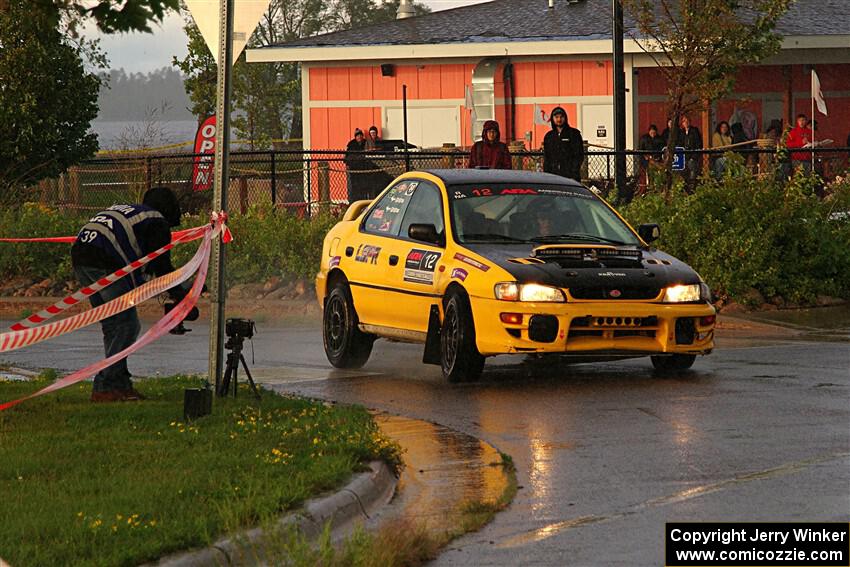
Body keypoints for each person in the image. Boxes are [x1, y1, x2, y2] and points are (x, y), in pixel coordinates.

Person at [71, 187, 194, 402]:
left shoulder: (133, 212)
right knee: (127, 325)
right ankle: (106, 385)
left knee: (113, 325)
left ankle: (119, 384)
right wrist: (181, 295)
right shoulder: (156, 220)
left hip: (82, 256)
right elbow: (161, 265)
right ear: (168, 207)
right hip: (105, 260)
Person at [542, 107, 584, 181]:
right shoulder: (549, 136)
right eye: (556, 117)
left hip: (570, 176)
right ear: (552, 118)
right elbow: (547, 157)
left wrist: (573, 171)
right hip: (553, 175)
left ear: (565, 118)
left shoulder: (574, 134)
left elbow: (579, 155)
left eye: (561, 117)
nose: (559, 119)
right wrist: (547, 174)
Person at [676, 115, 703, 190]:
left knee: (692, 165)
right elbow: (679, 144)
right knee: (681, 169)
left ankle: (692, 185)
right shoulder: (681, 132)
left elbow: (698, 144)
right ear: (682, 123)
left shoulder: (694, 131)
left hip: (693, 155)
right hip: (684, 156)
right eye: (684, 121)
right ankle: (683, 186)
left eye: (687, 121)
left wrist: (693, 157)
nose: (686, 123)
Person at [345, 128, 369, 201]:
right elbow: (347, 156)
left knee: (364, 186)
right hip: (354, 169)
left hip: (364, 168)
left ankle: (363, 199)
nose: (359, 137)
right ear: (355, 137)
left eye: (360, 136)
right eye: (358, 136)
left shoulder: (366, 143)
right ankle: (354, 200)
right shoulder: (351, 144)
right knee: (354, 186)